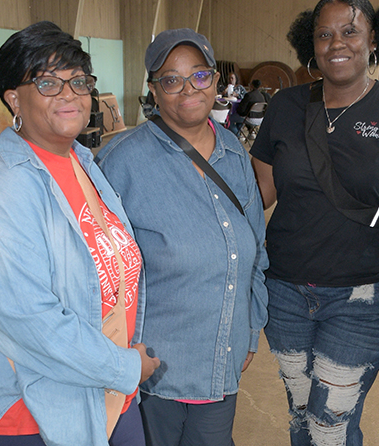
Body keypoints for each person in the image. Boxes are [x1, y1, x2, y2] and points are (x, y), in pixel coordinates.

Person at [0, 21, 160, 446]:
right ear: (13, 98)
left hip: (100, 385)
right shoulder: (3, 189)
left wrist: (119, 365)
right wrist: (125, 367)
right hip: (28, 410)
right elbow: (26, 319)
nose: (69, 94)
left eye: (78, 81)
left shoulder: (80, 162)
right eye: (47, 83)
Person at [250, 0, 379, 445]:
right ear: (310, 44)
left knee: (328, 421)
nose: (336, 43)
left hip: (363, 295)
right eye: (324, 34)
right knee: (301, 415)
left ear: (374, 40)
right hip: (285, 291)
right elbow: (260, 195)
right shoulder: (286, 106)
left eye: (350, 31)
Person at [96, 28, 269, 446]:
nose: (188, 89)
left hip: (221, 354)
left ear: (216, 81)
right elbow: (98, 271)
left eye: (200, 75)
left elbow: (256, 250)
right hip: (152, 366)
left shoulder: (233, 152)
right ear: (154, 91)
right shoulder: (121, 162)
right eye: (171, 79)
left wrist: (250, 328)